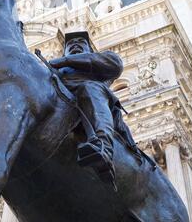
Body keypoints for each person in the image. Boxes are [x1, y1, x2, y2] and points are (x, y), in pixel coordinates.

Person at [50, 31, 138, 186]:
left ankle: (103, 146)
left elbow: (115, 65)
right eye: (69, 44)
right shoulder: (53, 70)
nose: (74, 44)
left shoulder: (98, 63)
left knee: (90, 88)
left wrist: (65, 60)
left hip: (91, 99)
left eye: (80, 41)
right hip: (61, 106)